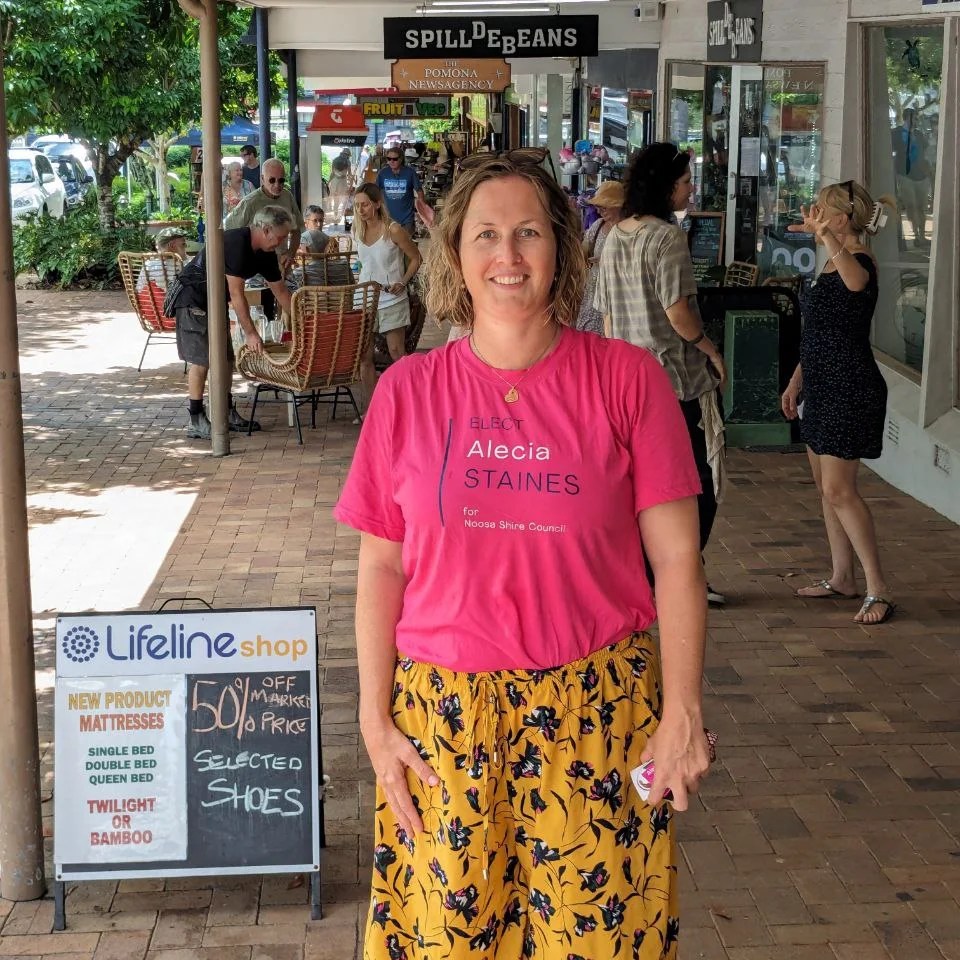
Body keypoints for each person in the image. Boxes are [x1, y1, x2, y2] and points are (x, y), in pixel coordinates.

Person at [333, 150, 711, 960]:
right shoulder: (407, 392)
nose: (508, 256)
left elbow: (678, 562)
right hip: (444, 724)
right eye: (487, 235)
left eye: (529, 233)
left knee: (598, 945)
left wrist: (682, 713)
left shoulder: (628, 380)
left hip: (597, 716)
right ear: (455, 254)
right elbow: (380, 567)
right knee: (450, 944)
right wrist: (374, 721)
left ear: (563, 250)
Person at [595, 142, 728, 606]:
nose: (691, 189)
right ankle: (672, 573)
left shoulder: (615, 236)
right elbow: (679, 313)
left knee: (640, 486)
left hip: (626, 384)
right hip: (672, 381)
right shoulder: (666, 237)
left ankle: (653, 574)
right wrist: (710, 348)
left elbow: (608, 319)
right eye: (687, 181)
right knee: (697, 487)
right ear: (666, 185)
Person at [781, 180, 897, 625]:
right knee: (825, 488)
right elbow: (818, 335)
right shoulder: (830, 260)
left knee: (840, 489)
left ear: (842, 219)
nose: (813, 215)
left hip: (850, 385)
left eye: (822, 210)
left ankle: (878, 588)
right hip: (823, 385)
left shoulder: (858, 260)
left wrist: (826, 236)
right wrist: (796, 382)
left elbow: (856, 281)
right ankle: (842, 576)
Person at [167, 206, 294, 439]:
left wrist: (302, 323)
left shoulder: (265, 253)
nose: (283, 242)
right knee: (203, 359)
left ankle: (224, 412)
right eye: (282, 236)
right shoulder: (237, 244)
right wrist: (251, 333)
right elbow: (237, 294)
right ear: (266, 230)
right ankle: (195, 418)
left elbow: (281, 292)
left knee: (225, 359)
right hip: (193, 298)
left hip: (215, 301)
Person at [351, 183, 421, 413]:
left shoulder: (393, 229)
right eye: (357, 205)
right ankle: (372, 409)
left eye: (365, 205)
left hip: (391, 297)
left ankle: (406, 403)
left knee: (396, 352)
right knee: (364, 357)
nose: (360, 210)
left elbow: (415, 258)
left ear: (377, 204)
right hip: (364, 299)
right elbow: (363, 263)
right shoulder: (357, 230)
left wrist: (403, 281)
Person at [224, 157, 304, 270]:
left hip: (281, 265)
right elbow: (229, 232)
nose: (277, 185)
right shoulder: (250, 202)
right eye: (272, 180)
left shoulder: (287, 196)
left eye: (281, 180)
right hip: (256, 267)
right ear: (262, 179)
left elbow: (297, 230)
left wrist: (290, 253)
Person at [577, 180, 626, 335]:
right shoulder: (597, 225)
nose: (599, 211)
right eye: (598, 207)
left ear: (618, 205)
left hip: (619, 295)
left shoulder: (629, 230)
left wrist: (608, 261)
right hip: (593, 295)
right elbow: (583, 252)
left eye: (604, 207)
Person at [890, 108, 930, 246]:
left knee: (921, 207)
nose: (917, 121)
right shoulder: (896, 133)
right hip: (904, 174)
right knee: (911, 206)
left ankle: (923, 235)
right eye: (915, 119)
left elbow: (925, 151)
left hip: (921, 175)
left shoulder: (919, 134)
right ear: (908, 118)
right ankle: (916, 235)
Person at [376, 146, 426, 233]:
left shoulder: (410, 172)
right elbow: (376, 191)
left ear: (401, 159)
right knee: (390, 245)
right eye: (389, 158)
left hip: (407, 219)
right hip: (388, 218)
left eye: (394, 159)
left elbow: (419, 191)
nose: (391, 161)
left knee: (407, 244)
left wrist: (421, 210)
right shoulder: (383, 173)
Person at [136, 226, 187, 293]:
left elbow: (139, 291)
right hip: (179, 303)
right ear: (172, 246)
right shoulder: (185, 265)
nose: (186, 247)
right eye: (183, 244)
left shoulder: (147, 265)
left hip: (152, 303)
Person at [328, 148, 354, 223]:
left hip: (335, 181)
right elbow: (349, 174)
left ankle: (336, 217)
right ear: (348, 155)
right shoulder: (348, 161)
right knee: (345, 200)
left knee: (336, 201)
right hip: (343, 182)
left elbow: (332, 173)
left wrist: (329, 182)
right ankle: (342, 217)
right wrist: (351, 184)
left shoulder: (335, 160)